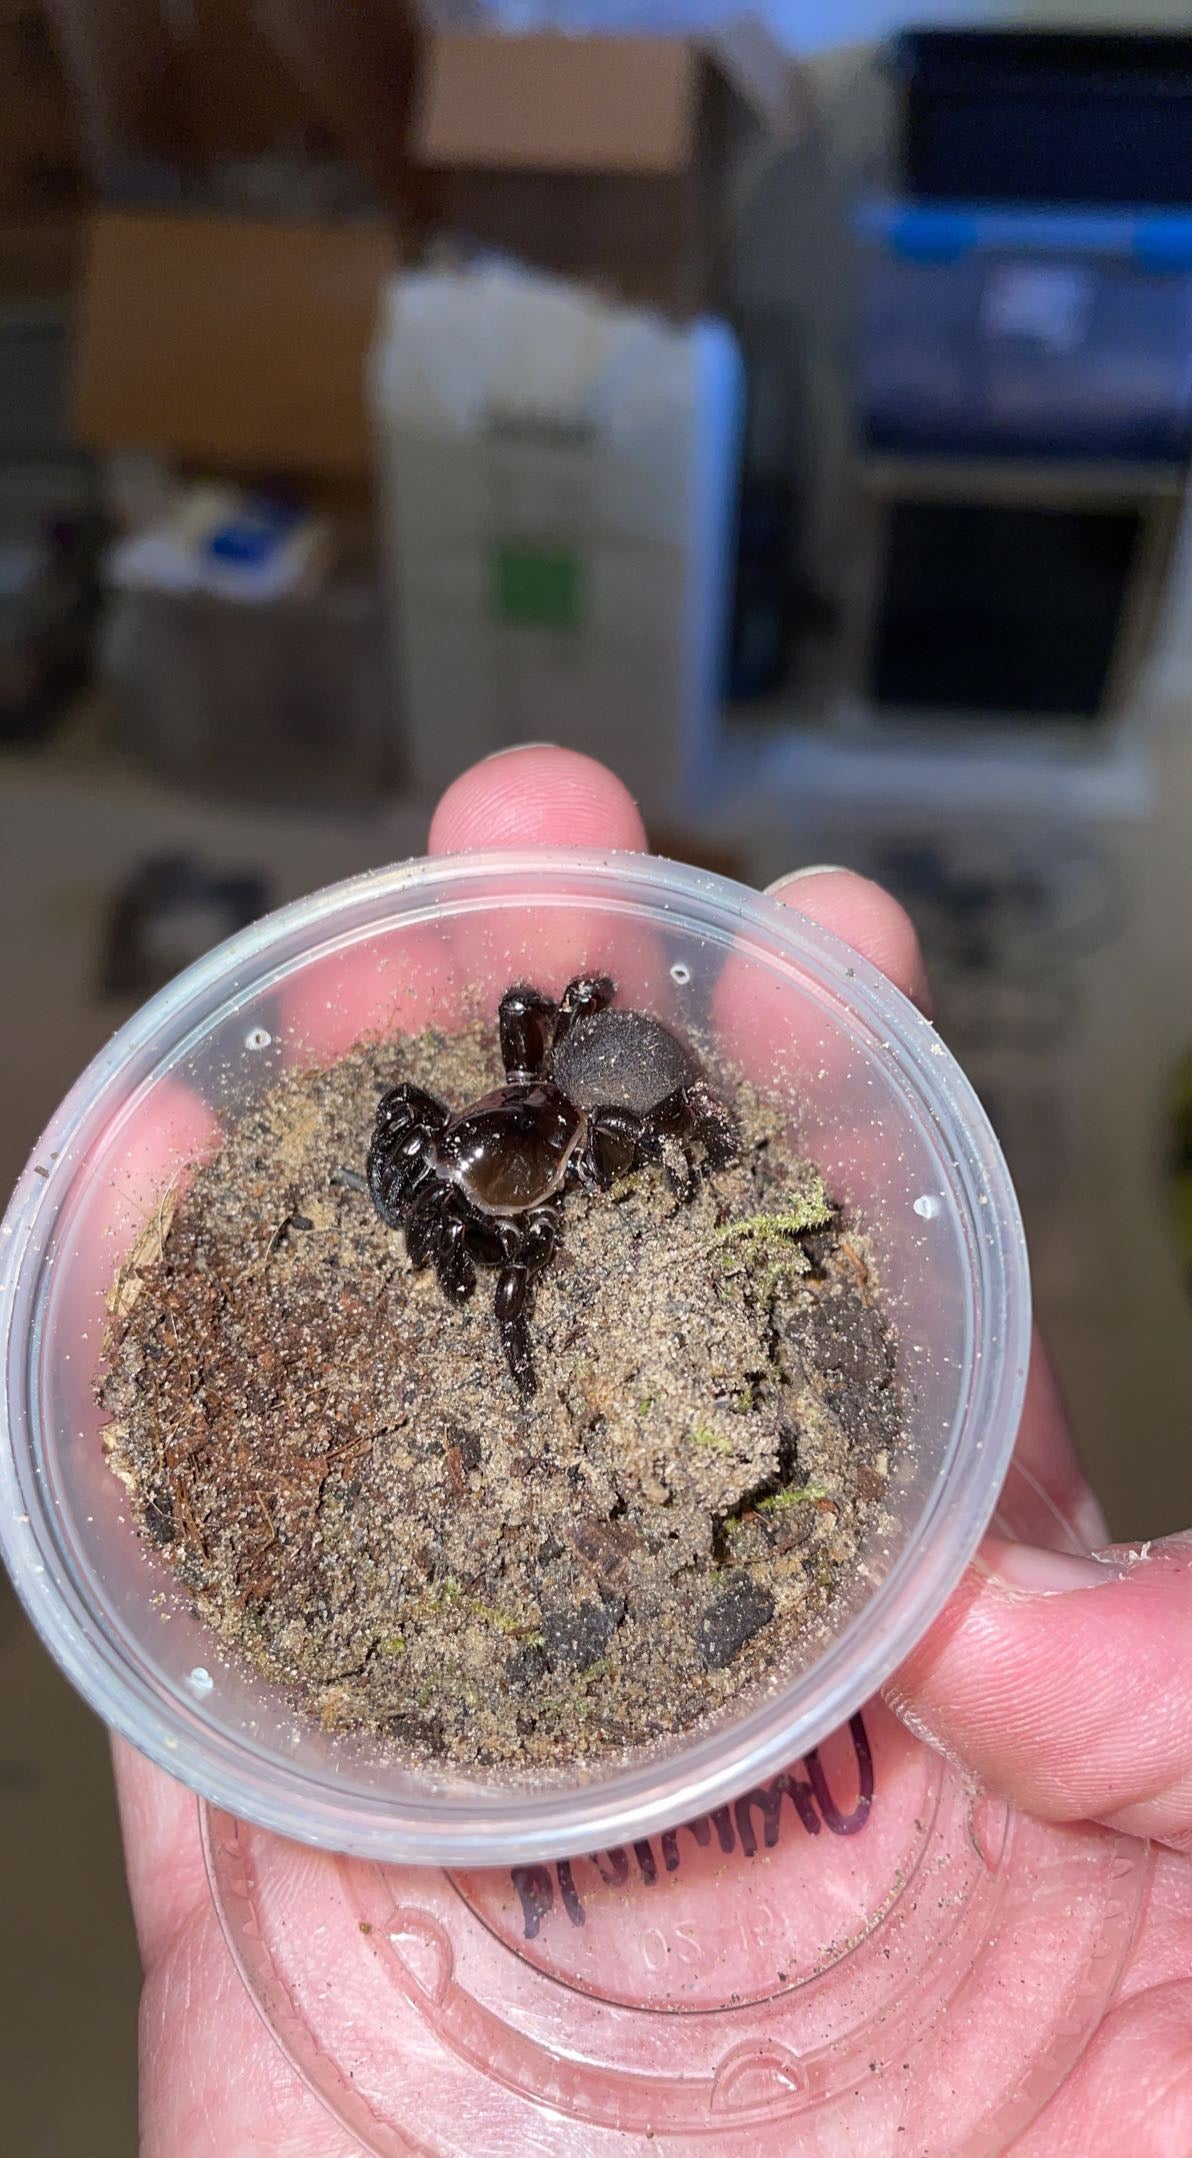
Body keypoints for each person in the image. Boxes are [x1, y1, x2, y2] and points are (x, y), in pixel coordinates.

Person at [118, 747, 1192, 2155]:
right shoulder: (492, 1111)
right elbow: (492, 1089)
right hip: (565, 1087)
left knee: (529, 1240)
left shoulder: (559, 1186)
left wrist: (625, 1175)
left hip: (610, 1094)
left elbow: (524, 1260)